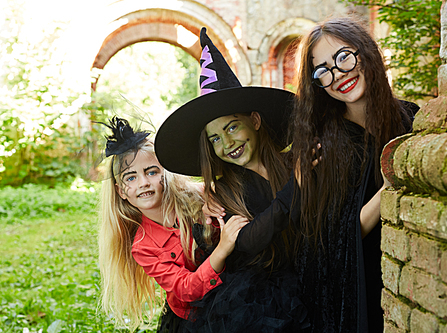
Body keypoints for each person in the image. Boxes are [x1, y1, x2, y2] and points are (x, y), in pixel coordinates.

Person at [155, 28, 308, 332]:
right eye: (214, 138)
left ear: (255, 120)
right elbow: (248, 240)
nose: (226, 143)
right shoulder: (224, 191)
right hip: (257, 296)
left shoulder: (293, 163)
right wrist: (295, 188)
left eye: (232, 127)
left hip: (310, 274)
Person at [289, 16, 420, 332]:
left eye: (344, 57)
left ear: (366, 52)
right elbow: (337, 234)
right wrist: (389, 183)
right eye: (324, 71)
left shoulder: (410, 117)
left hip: (411, 275)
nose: (338, 74)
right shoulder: (325, 144)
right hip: (360, 290)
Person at [97, 116, 248, 332]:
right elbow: (186, 289)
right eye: (131, 178)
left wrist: (212, 200)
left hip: (236, 290)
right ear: (121, 191)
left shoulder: (197, 198)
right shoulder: (143, 247)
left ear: (164, 174)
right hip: (196, 316)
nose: (144, 183)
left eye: (151, 172)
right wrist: (222, 248)